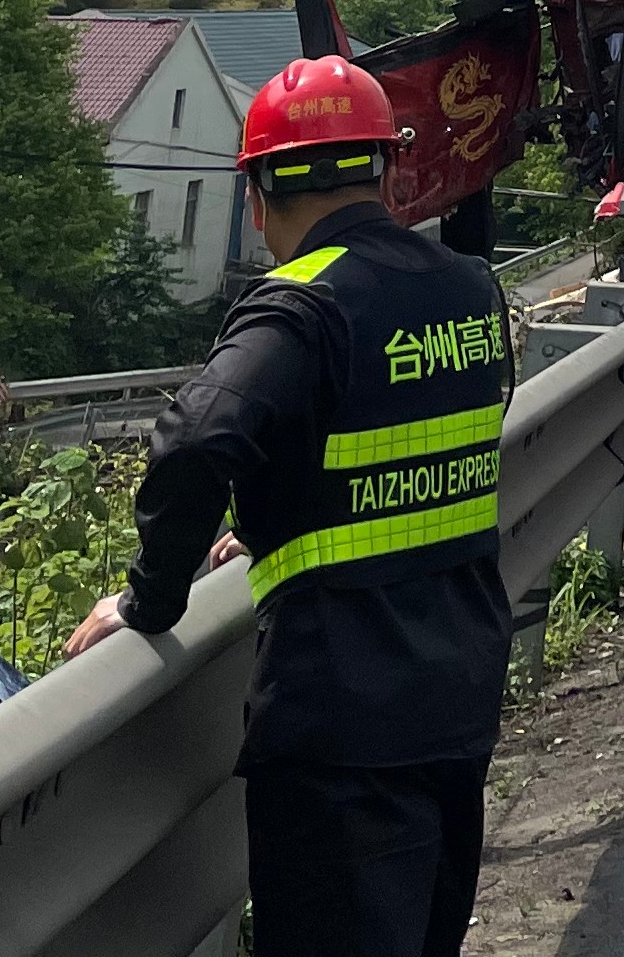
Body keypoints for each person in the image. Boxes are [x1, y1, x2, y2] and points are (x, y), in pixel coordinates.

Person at [62, 58, 514, 957]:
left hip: (342, 727)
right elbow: (407, 441)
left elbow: (195, 440)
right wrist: (280, 519)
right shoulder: (469, 287)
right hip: (458, 698)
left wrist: (150, 600)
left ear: (258, 194)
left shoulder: (304, 304)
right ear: (388, 170)